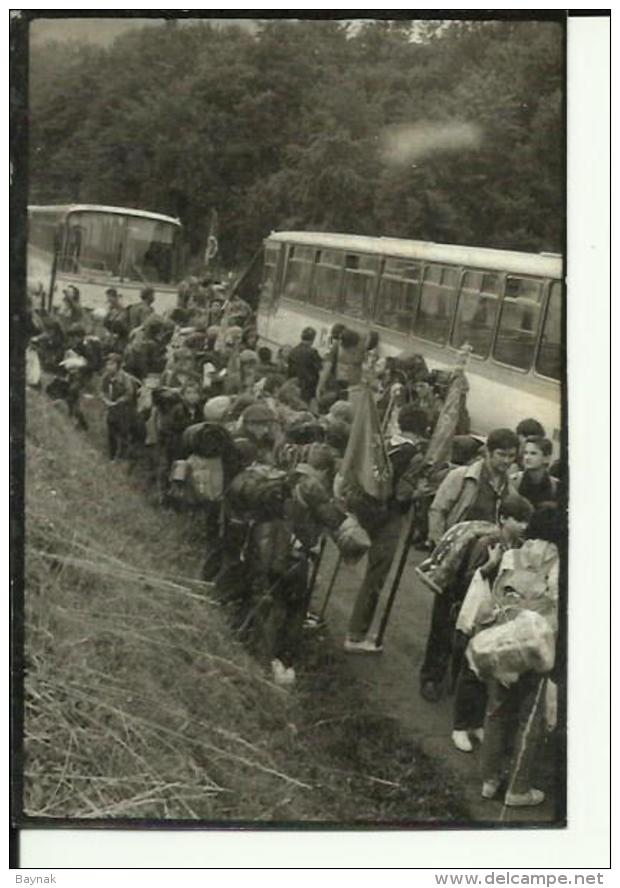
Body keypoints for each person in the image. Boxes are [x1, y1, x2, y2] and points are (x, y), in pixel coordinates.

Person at [421, 428, 519, 701]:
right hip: (456, 562)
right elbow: (438, 510)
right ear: (487, 452)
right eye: (501, 454)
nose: (506, 461)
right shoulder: (463, 478)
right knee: (442, 621)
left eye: (512, 456)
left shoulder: (509, 488)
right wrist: (440, 545)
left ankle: (455, 680)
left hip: (485, 567)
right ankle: (431, 678)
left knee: (470, 623)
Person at [477, 505, 561, 806]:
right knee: (530, 716)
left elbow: (497, 590)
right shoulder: (558, 561)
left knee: (497, 710)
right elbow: (556, 602)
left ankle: (489, 779)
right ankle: (517, 788)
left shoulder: (513, 554)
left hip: (504, 637)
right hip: (536, 641)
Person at [450, 493, 534, 752]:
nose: (522, 526)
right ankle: (460, 726)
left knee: (487, 670)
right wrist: (490, 565)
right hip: (479, 613)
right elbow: (468, 579)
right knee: (471, 670)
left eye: (525, 521)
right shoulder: (489, 542)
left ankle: (475, 722)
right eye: (517, 520)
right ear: (502, 518)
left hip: (500, 615)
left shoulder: (519, 547)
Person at [343, 404, 429, 653]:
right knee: (376, 575)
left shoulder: (382, 443)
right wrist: (418, 492)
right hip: (389, 517)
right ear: (423, 430)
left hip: (362, 509)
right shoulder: (414, 455)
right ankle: (356, 635)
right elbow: (402, 494)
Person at [100, 353, 139, 460]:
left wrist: (118, 401)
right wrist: (106, 400)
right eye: (107, 364)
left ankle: (123, 457)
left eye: (112, 364)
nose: (109, 367)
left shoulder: (125, 378)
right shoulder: (106, 377)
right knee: (111, 432)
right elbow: (102, 391)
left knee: (123, 432)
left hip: (125, 408)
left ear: (118, 366)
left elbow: (129, 393)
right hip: (112, 407)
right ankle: (112, 456)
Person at [515, 437, 559, 508]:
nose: (527, 457)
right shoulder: (515, 481)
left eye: (533, 453)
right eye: (525, 453)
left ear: (546, 458)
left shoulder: (555, 486)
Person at [287, 327, 323, 404]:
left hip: (293, 383)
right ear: (313, 339)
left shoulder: (293, 350)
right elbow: (320, 368)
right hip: (307, 387)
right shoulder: (312, 352)